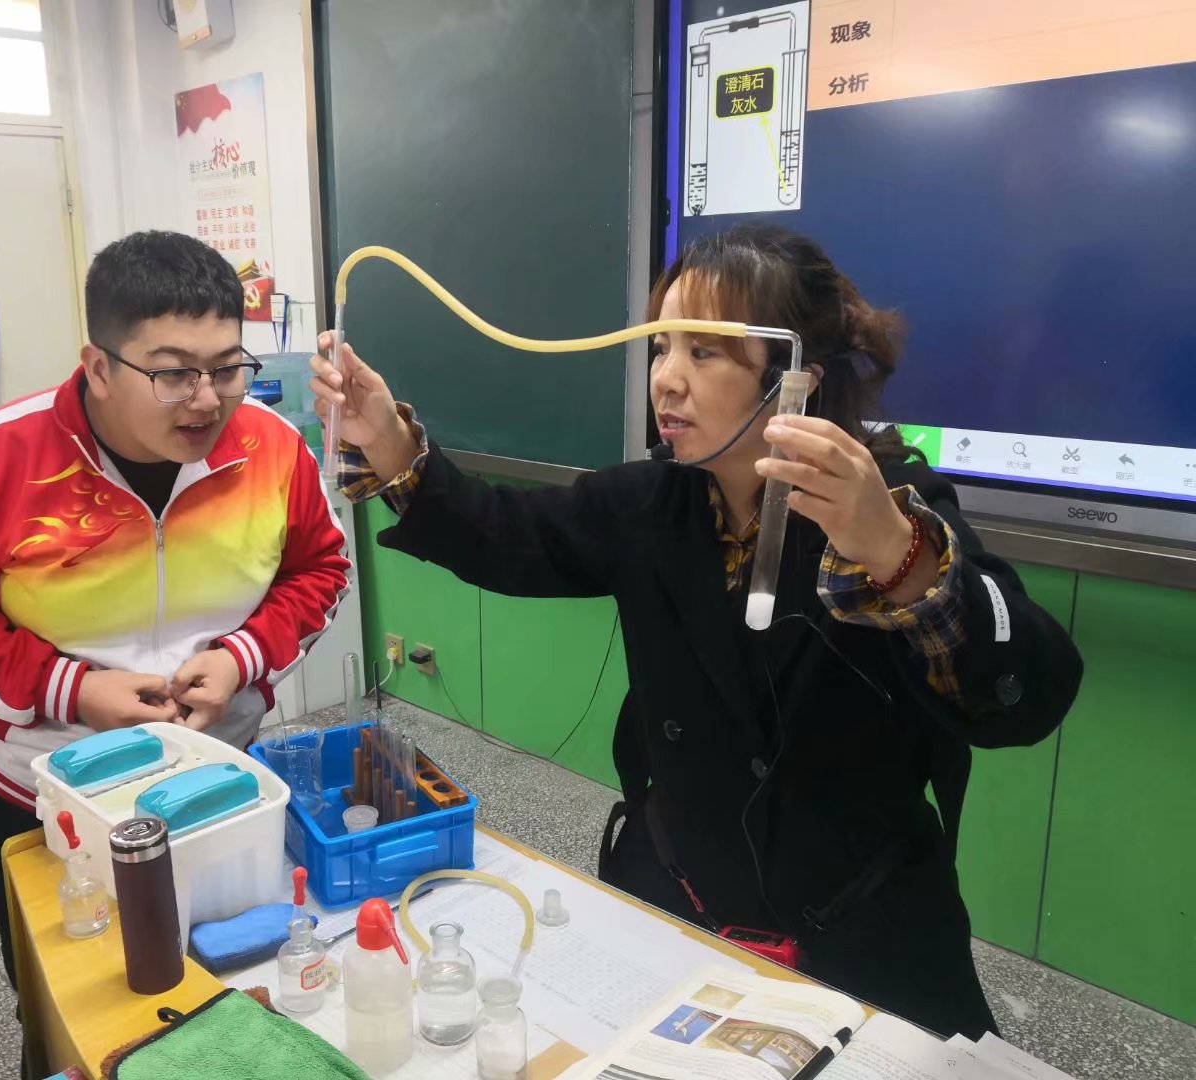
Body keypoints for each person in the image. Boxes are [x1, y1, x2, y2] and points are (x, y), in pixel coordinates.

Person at [310, 224, 1081, 1038]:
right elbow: (502, 534)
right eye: (662, 347)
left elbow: (1029, 692)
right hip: (678, 905)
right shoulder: (651, 502)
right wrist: (384, 436)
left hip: (861, 941)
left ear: (793, 382)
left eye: (704, 352)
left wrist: (900, 555)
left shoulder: (887, 509)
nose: (665, 380)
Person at [0, 230, 350, 983]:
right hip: (50, 795)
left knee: (235, 982)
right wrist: (71, 688)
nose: (207, 399)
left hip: (219, 779)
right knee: (70, 1005)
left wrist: (242, 659)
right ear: (99, 368)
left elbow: (320, 569)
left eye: (228, 368)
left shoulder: (271, 448)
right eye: (173, 374)